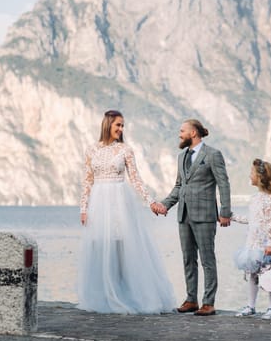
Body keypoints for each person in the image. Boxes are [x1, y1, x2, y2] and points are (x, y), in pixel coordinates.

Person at [78, 110, 176, 314]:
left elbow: (136, 179)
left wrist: (150, 202)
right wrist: (84, 208)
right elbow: (87, 180)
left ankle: (123, 293)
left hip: (119, 203)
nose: (121, 129)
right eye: (118, 125)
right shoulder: (91, 150)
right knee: (100, 247)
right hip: (98, 203)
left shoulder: (125, 150)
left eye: (123, 126)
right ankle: (104, 293)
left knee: (121, 248)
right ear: (108, 125)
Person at [154, 119, 231, 316]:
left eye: (182, 131)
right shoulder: (181, 157)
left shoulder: (213, 154)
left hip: (205, 215)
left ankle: (209, 302)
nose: (179, 134)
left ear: (194, 133)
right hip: (184, 215)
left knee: (207, 259)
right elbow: (179, 186)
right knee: (188, 259)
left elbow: (223, 184)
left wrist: (225, 212)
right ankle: (191, 300)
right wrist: (165, 205)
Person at [232, 158, 271, 320]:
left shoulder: (270, 199)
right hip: (252, 243)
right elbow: (252, 219)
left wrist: (270, 244)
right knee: (252, 273)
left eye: (252, 173)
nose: (249, 176)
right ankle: (251, 306)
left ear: (260, 177)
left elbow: (270, 223)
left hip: (266, 244)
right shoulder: (255, 198)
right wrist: (232, 217)